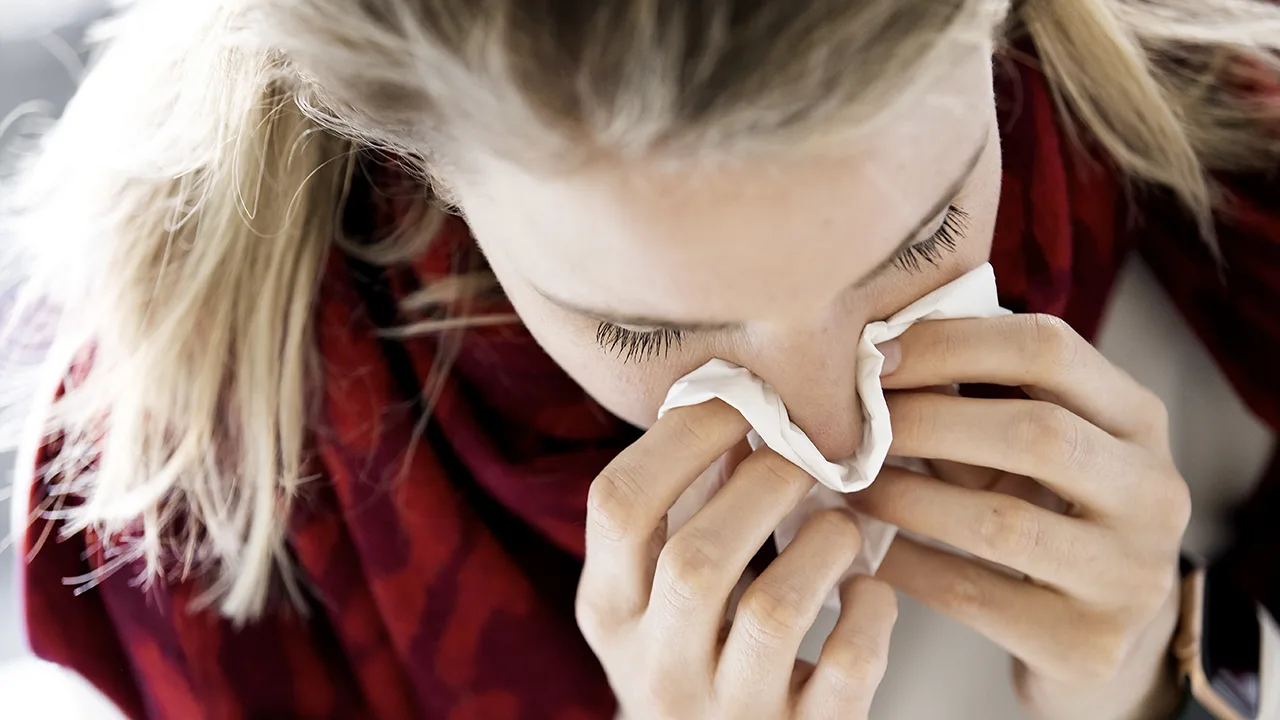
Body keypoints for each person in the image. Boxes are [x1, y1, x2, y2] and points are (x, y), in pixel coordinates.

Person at [3, 0, 1279, 718]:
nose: (839, 436)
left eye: (928, 231)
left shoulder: (1242, 210)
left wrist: (1161, 678)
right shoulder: (208, 524)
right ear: (412, 163)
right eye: (647, 336)